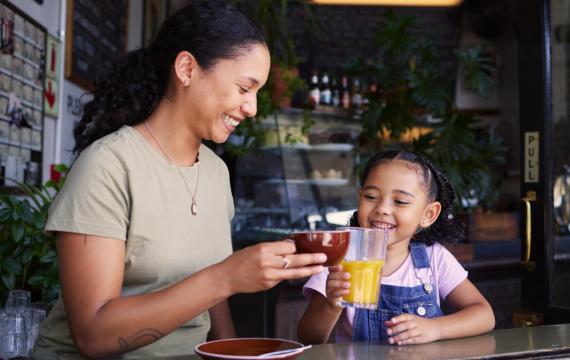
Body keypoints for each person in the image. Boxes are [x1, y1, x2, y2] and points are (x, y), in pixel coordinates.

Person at [33, 1, 327, 358]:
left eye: (257, 93)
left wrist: (233, 352)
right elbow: (92, 335)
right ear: (187, 68)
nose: (252, 108)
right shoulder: (108, 165)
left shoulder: (216, 173)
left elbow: (210, 303)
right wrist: (228, 276)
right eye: (244, 88)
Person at [298, 150, 495, 345]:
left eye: (400, 201)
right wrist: (331, 306)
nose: (382, 209)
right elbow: (308, 338)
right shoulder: (338, 257)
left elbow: (484, 315)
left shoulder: (434, 258)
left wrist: (436, 328)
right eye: (371, 197)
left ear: (428, 214)